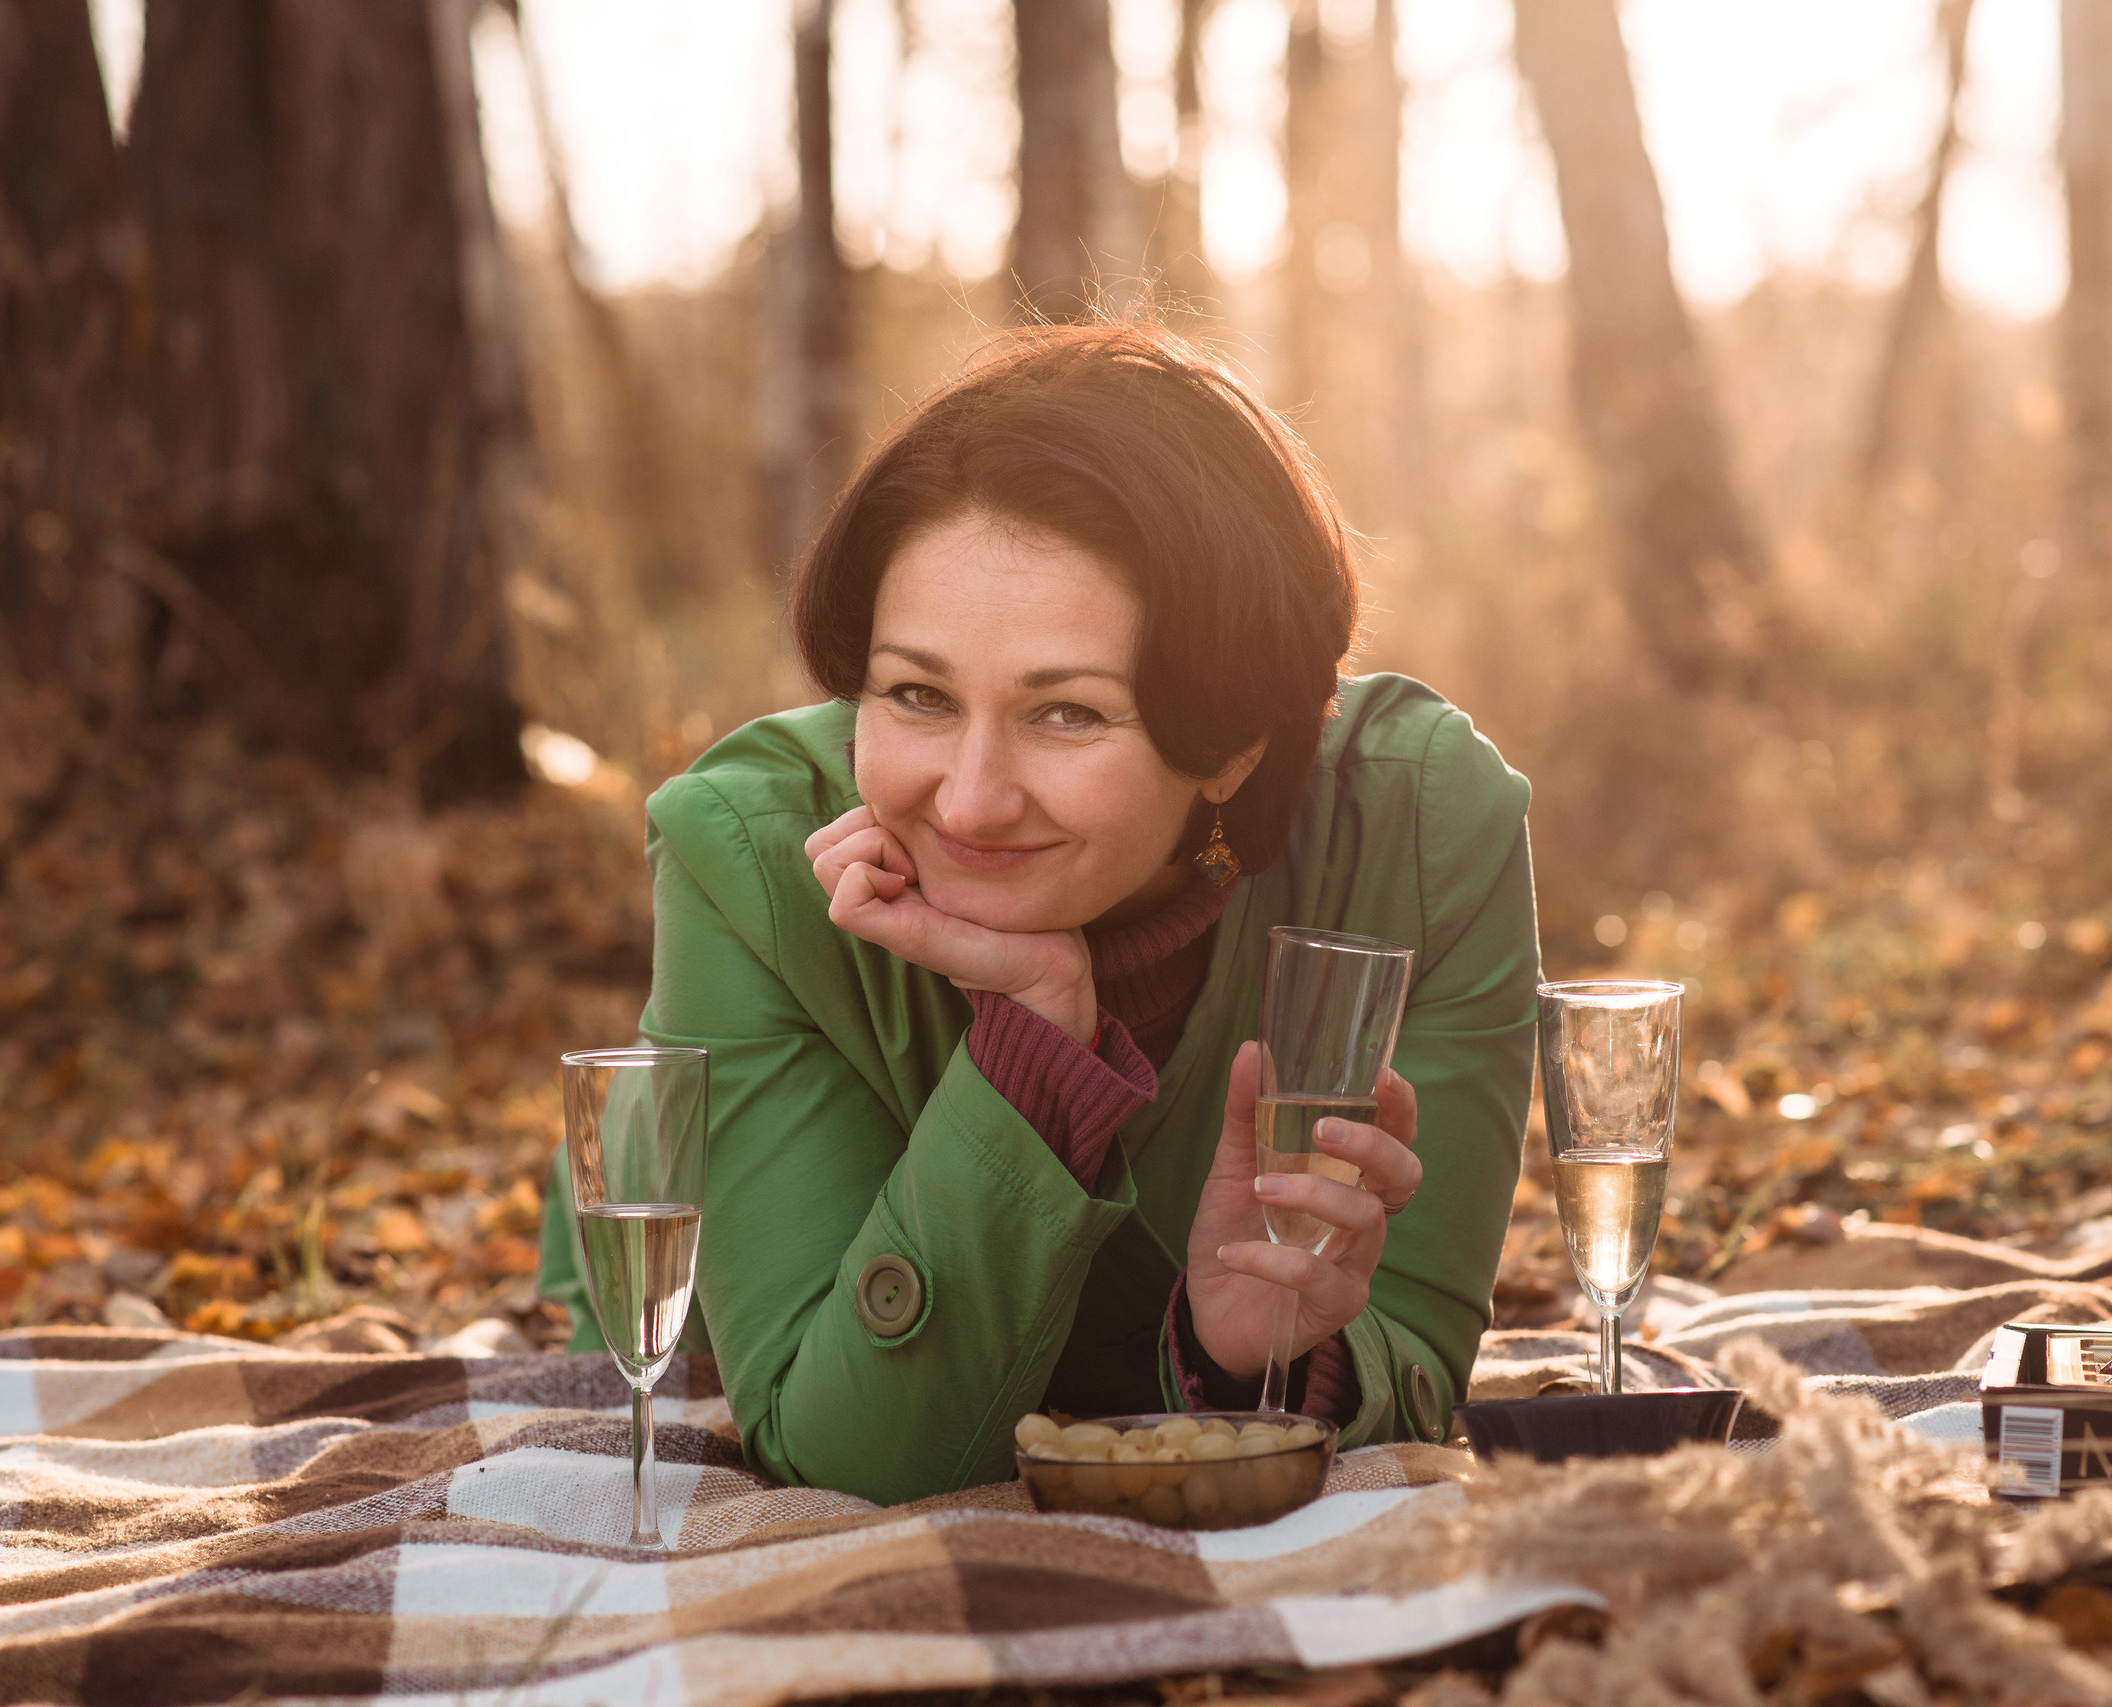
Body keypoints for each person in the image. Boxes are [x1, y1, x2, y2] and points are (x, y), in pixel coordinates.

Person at [539, 322, 1540, 1505]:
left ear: (1226, 740)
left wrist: (1257, 1362)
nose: (967, 799)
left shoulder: (1417, 830)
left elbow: (1418, 1370)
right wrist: (1031, 1043)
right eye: (915, 694)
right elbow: (844, 1459)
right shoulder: (743, 857)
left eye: (1065, 715)